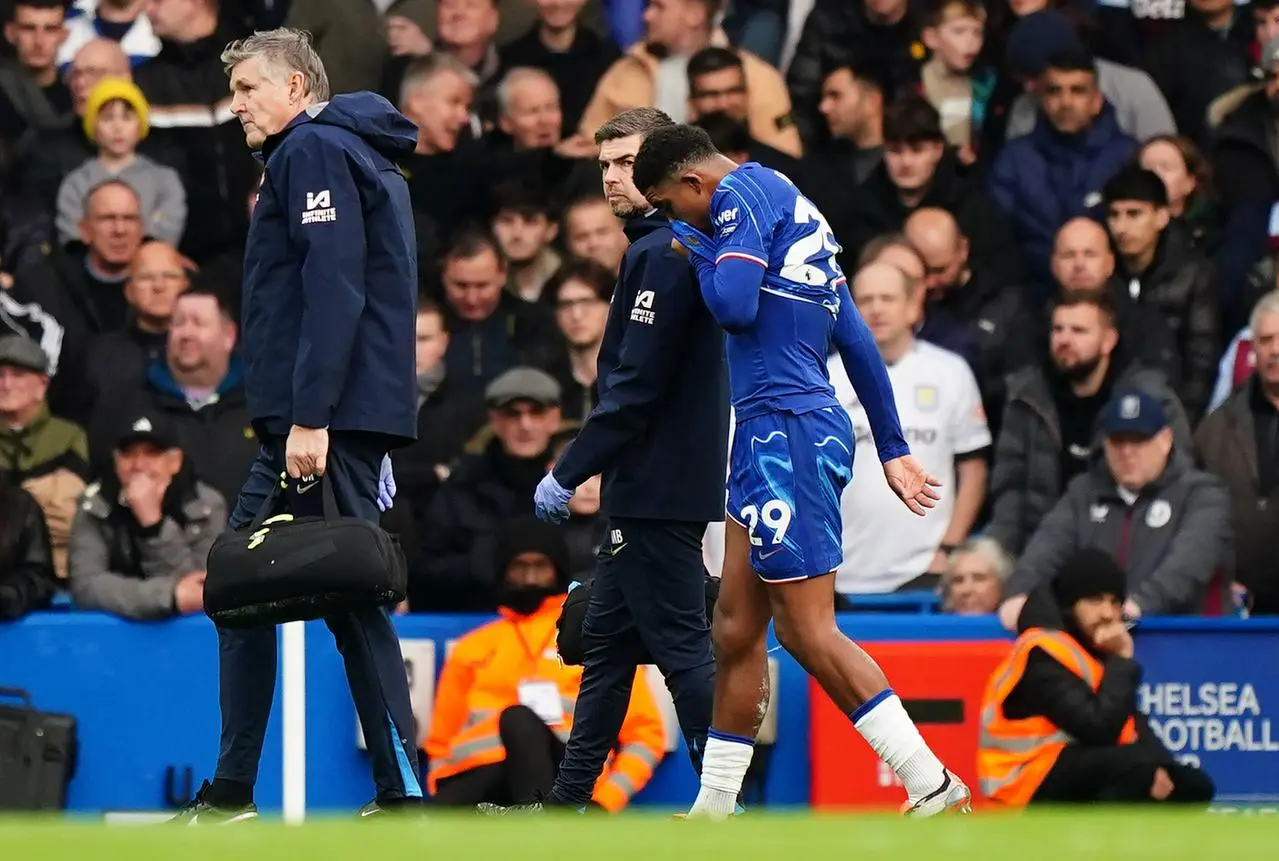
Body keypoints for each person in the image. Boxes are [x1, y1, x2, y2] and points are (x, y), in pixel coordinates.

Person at [631, 124, 970, 819]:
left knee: (807, 630)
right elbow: (852, 334)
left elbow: (732, 304)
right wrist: (893, 443)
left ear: (695, 184)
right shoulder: (791, 212)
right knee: (734, 625)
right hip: (773, 431)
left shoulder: (738, 197)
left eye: (669, 204)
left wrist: (696, 248)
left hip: (783, 430)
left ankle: (929, 778)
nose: (672, 220)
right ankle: (716, 809)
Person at [173, 28, 422, 823]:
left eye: (248, 89)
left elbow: (335, 288)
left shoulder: (312, 149)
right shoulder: (336, 150)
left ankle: (390, 792)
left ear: (294, 89)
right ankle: (247, 791)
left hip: (323, 420)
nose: (236, 104)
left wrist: (312, 417)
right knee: (262, 590)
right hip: (324, 416)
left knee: (306, 590)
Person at [481, 107, 730, 815]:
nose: (614, 179)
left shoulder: (661, 252)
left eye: (627, 163)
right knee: (605, 644)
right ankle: (566, 803)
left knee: (683, 649)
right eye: (605, 166)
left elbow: (633, 390)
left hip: (656, 486)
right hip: (654, 485)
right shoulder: (669, 245)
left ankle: (725, 803)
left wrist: (569, 468)